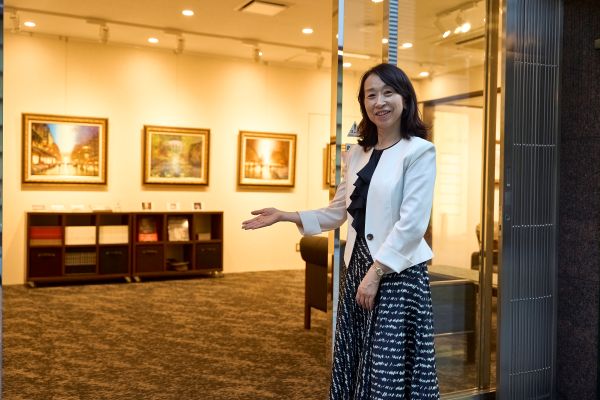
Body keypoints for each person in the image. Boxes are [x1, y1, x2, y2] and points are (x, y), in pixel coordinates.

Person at [242, 63, 440, 399]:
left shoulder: (419, 151)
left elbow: (412, 224)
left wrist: (375, 274)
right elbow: (338, 211)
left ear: (405, 98)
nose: (379, 102)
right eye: (371, 95)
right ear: (363, 103)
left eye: (388, 93)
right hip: (358, 266)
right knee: (355, 353)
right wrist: (286, 215)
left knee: (386, 363)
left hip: (397, 271)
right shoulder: (357, 153)